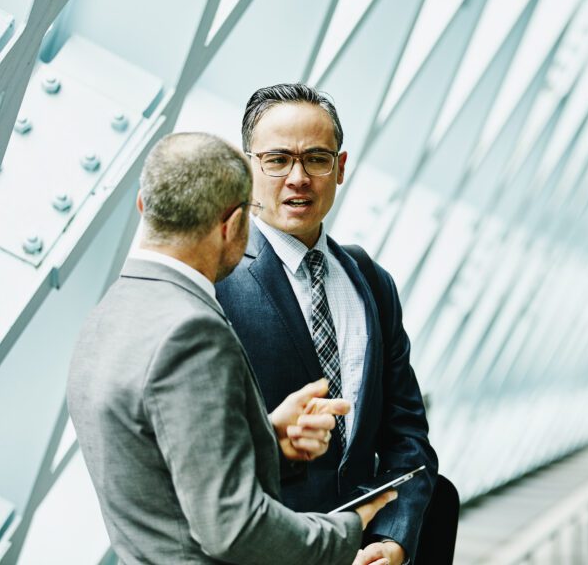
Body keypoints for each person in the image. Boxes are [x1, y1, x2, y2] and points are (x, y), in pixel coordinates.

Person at [67, 132, 395, 565]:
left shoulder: (110, 312)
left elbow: (167, 472)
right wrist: (346, 534)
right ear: (234, 223)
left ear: (143, 206)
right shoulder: (191, 330)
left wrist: (267, 435)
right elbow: (232, 528)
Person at [215, 84, 439, 565]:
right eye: (277, 159)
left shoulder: (371, 282)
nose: (298, 178)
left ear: (340, 168)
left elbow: (406, 435)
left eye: (316, 159)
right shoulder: (215, 280)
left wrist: (393, 539)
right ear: (247, 166)